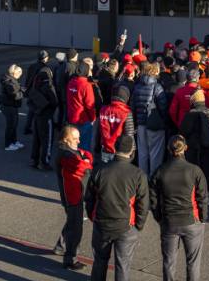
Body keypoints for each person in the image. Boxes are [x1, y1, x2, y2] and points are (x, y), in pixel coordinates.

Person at [85, 134, 149, 281]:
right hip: (126, 226)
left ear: (114, 148)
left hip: (102, 223)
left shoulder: (100, 170)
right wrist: (138, 225)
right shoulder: (138, 174)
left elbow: (89, 198)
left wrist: (92, 216)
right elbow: (143, 204)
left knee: (100, 261)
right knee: (123, 265)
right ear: (132, 151)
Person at [150, 136, 208, 281]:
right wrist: (202, 218)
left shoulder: (160, 171)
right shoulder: (195, 171)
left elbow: (153, 199)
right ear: (185, 148)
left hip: (169, 221)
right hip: (191, 221)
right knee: (193, 262)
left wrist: (159, 217)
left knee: (169, 262)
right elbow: (203, 197)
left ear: (169, 149)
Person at [54, 125, 93, 271]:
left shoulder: (70, 150)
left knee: (72, 222)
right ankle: (70, 259)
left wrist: (86, 159)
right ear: (66, 139)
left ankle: (60, 246)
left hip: (75, 194)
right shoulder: (65, 155)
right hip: (72, 196)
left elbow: (87, 155)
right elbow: (82, 166)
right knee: (75, 228)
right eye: (75, 139)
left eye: (78, 138)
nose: (78, 141)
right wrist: (86, 161)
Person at [131, 62, 169, 178]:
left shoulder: (137, 86)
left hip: (141, 124)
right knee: (155, 154)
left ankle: (142, 178)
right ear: (154, 72)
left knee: (142, 153)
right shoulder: (157, 87)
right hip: (154, 124)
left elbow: (133, 105)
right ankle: (153, 179)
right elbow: (163, 106)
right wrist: (163, 120)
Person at [178, 90, 209, 186]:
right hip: (208, 147)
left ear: (193, 100)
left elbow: (183, 131)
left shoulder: (190, 115)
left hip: (193, 149)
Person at [27, 53, 59, 170]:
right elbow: (54, 101)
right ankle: (44, 162)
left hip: (37, 113)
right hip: (46, 115)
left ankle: (34, 160)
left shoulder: (36, 85)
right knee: (47, 139)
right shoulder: (49, 86)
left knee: (37, 138)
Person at [98, 86, 135, 164]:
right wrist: (132, 151)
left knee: (106, 173)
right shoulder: (126, 112)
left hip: (105, 148)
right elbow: (129, 134)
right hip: (120, 152)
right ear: (126, 97)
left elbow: (99, 130)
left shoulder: (103, 110)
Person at [67, 61, 97, 153]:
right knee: (84, 144)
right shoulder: (86, 85)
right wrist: (93, 118)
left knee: (73, 143)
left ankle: (73, 161)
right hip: (83, 119)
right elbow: (90, 105)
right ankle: (84, 163)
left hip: (71, 117)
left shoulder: (71, 82)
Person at [0, 64, 24, 151]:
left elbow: (17, 89)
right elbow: (14, 95)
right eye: (20, 73)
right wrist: (23, 93)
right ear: (15, 73)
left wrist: (22, 89)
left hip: (12, 106)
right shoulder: (9, 82)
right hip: (8, 106)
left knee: (14, 124)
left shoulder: (12, 80)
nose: (20, 75)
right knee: (11, 125)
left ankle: (14, 141)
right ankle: (8, 144)